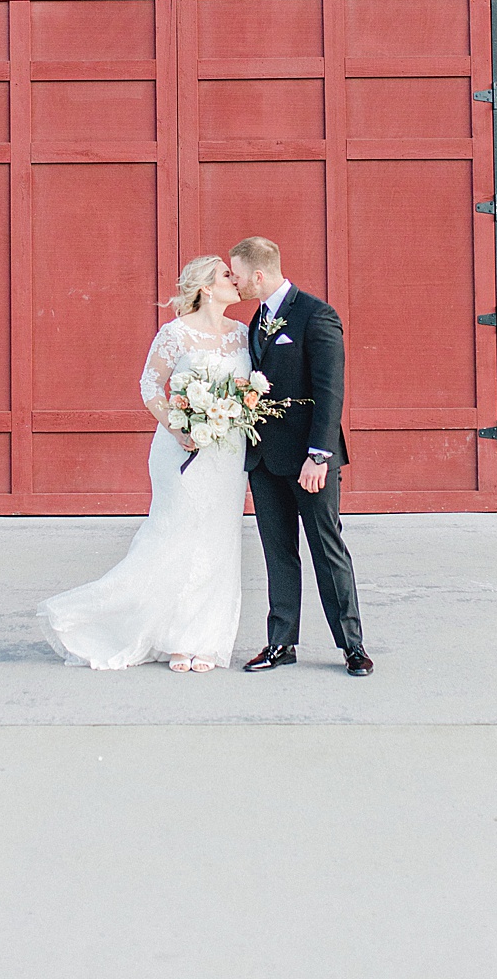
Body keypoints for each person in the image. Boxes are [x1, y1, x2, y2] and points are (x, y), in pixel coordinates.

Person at [38, 255, 248, 672]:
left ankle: (202, 637)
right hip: (181, 450)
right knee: (172, 536)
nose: (235, 280)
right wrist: (178, 427)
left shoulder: (242, 335)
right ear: (207, 287)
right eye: (227, 275)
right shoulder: (175, 334)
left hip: (227, 453)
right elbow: (150, 384)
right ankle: (163, 634)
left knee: (218, 541)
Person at [228, 235, 373, 677]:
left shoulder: (316, 315)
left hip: (310, 461)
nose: (232, 282)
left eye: (235, 274)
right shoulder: (255, 320)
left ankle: (352, 646)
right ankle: (280, 643)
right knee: (278, 553)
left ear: (258, 274)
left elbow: (331, 391)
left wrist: (320, 456)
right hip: (265, 461)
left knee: (327, 551)